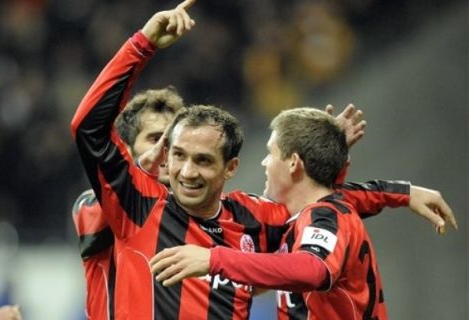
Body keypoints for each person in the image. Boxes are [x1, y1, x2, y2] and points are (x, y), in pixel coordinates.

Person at [70, 1, 456, 318]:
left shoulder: (250, 218)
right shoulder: (132, 203)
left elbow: (316, 202)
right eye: (178, 155)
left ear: (230, 168)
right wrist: (142, 45)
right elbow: (88, 127)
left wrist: (397, 192)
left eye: (203, 160)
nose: (187, 171)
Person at [148, 108, 458, 319]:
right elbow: (338, 195)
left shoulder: (326, 217)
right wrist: (400, 193)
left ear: (294, 163)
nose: (264, 163)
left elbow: (314, 269)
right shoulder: (308, 215)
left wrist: (214, 259)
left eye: (271, 153)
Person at [71, 87, 185, 319]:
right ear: (126, 148)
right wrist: (141, 170)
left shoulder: (196, 215)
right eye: (155, 138)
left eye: (174, 139)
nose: (166, 149)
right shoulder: (90, 205)